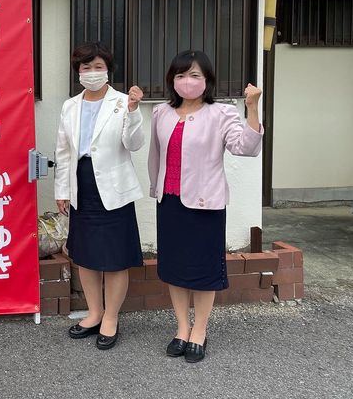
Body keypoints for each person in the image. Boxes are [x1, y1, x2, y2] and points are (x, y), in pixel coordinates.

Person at [148, 50, 263, 363]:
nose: (187, 81)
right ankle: (181, 328)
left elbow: (246, 148)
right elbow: (155, 156)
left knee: (201, 270)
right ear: (172, 80)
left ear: (207, 80)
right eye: (181, 75)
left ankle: (200, 329)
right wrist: (154, 189)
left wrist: (251, 108)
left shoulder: (221, 113)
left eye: (195, 75)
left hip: (205, 205)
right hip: (169, 201)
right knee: (174, 269)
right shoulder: (161, 112)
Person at [54, 42, 146, 350]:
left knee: (116, 258)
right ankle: (94, 313)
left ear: (108, 70)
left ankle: (111, 317)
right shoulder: (70, 105)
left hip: (113, 187)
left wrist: (134, 113)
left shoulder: (123, 102)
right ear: (77, 71)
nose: (91, 73)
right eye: (85, 67)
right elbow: (64, 151)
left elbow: (133, 144)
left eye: (97, 67)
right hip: (81, 183)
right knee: (86, 256)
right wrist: (62, 190)